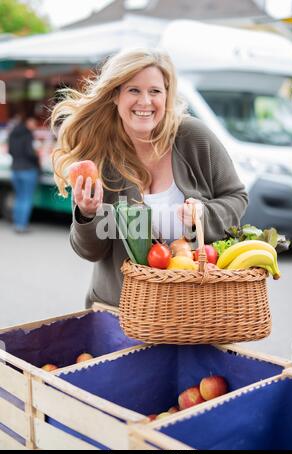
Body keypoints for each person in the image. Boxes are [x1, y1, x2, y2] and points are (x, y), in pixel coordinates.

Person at [51, 48, 248, 308]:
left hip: (194, 309)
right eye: (133, 90)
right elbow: (90, 252)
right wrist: (87, 214)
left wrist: (203, 213)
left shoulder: (192, 137)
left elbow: (237, 197)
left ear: (166, 96)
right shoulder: (101, 156)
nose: (145, 101)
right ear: (115, 95)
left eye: (155, 91)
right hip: (120, 310)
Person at [8, 116, 40, 233]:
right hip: (28, 170)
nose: (35, 125)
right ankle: (22, 226)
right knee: (26, 198)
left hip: (15, 169)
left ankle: (17, 224)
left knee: (18, 197)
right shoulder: (28, 135)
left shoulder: (12, 134)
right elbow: (30, 153)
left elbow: (10, 151)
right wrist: (37, 158)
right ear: (27, 122)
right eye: (33, 122)